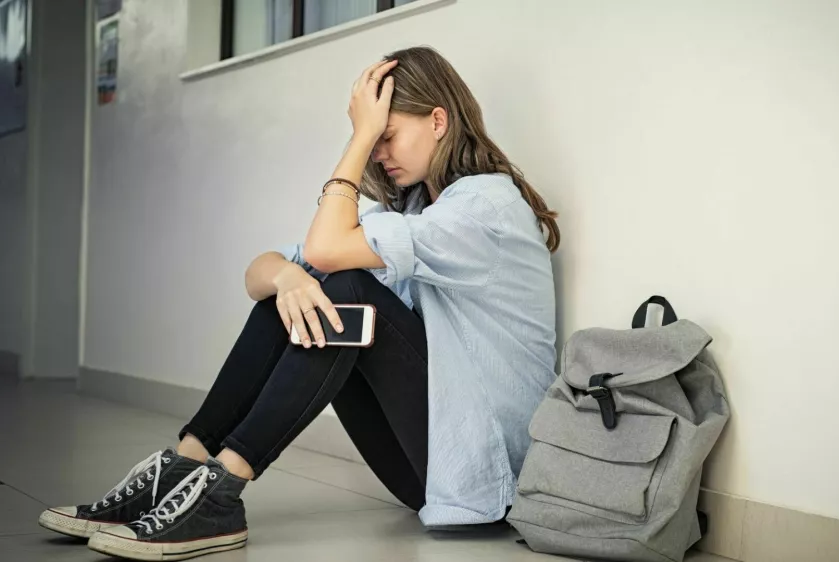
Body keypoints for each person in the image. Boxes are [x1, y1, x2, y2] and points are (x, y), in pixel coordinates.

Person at [36, 46, 559, 560]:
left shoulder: (486, 206)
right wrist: (288, 278)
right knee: (291, 294)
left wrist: (360, 135)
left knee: (345, 290)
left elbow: (326, 251)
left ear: (438, 121)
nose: (378, 153)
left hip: (488, 474)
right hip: (431, 471)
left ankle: (221, 492)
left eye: (386, 136)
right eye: (373, 140)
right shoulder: (413, 210)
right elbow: (259, 273)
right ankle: (182, 469)